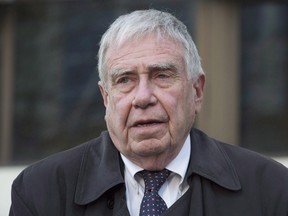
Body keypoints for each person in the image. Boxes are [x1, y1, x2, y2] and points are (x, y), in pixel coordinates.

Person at [10, 9, 288, 216]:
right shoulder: (41, 192)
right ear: (106, 98)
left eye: (162, 75)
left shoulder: (271, 190)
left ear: (197, 91)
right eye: (125, 80)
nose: (143, 98)